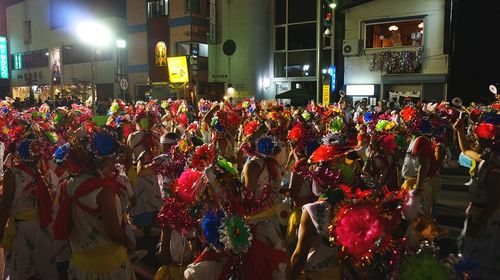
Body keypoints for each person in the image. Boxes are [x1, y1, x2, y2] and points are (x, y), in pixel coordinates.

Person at [0, 138, 59, 279]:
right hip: (42, 226)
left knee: (20, 269)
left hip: (20, 229)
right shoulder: (43, 174)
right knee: (43, 268)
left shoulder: (12, 173)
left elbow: (5, 205)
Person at [454, 117, 500, 279]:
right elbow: (466, 150)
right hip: (477, 213)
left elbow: (492, 203)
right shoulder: (486, 161)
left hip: (486, 220)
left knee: (480, 261)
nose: (476, 141)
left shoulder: (495, 170)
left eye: (480, 139)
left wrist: (478, 224)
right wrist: (459, 130)